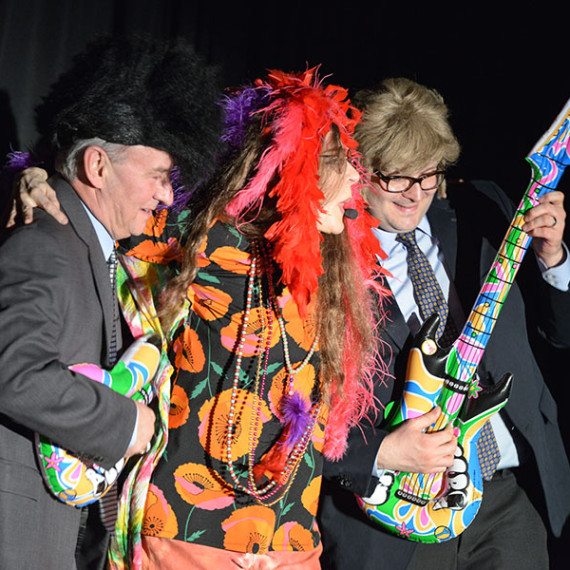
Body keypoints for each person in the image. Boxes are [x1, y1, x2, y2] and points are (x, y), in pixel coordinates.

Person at [11, 69, 389, 569]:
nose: (356, 180)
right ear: (294, 170)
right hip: (192, 532)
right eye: (341, 164)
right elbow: (103, 196)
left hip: (292, 537)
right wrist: (35, 178)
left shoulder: (335, 266)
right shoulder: (213, 242)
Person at [318, 77, 570, 570]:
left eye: (428, 175)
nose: (415, 194)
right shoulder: (324, 255)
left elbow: (559, 334)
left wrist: (552, 257)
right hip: (390, 519)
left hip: (508, 501)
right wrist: (380, 453)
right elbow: (291, 408)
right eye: (396, 177)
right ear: (360, 168)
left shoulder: (486, 209)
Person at [0, 35, 221, 570]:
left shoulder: (95, 249)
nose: (168, 196)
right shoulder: (44, 240)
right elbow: (14, 372)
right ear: (97, 166)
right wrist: (126, 423)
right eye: (158, 176)